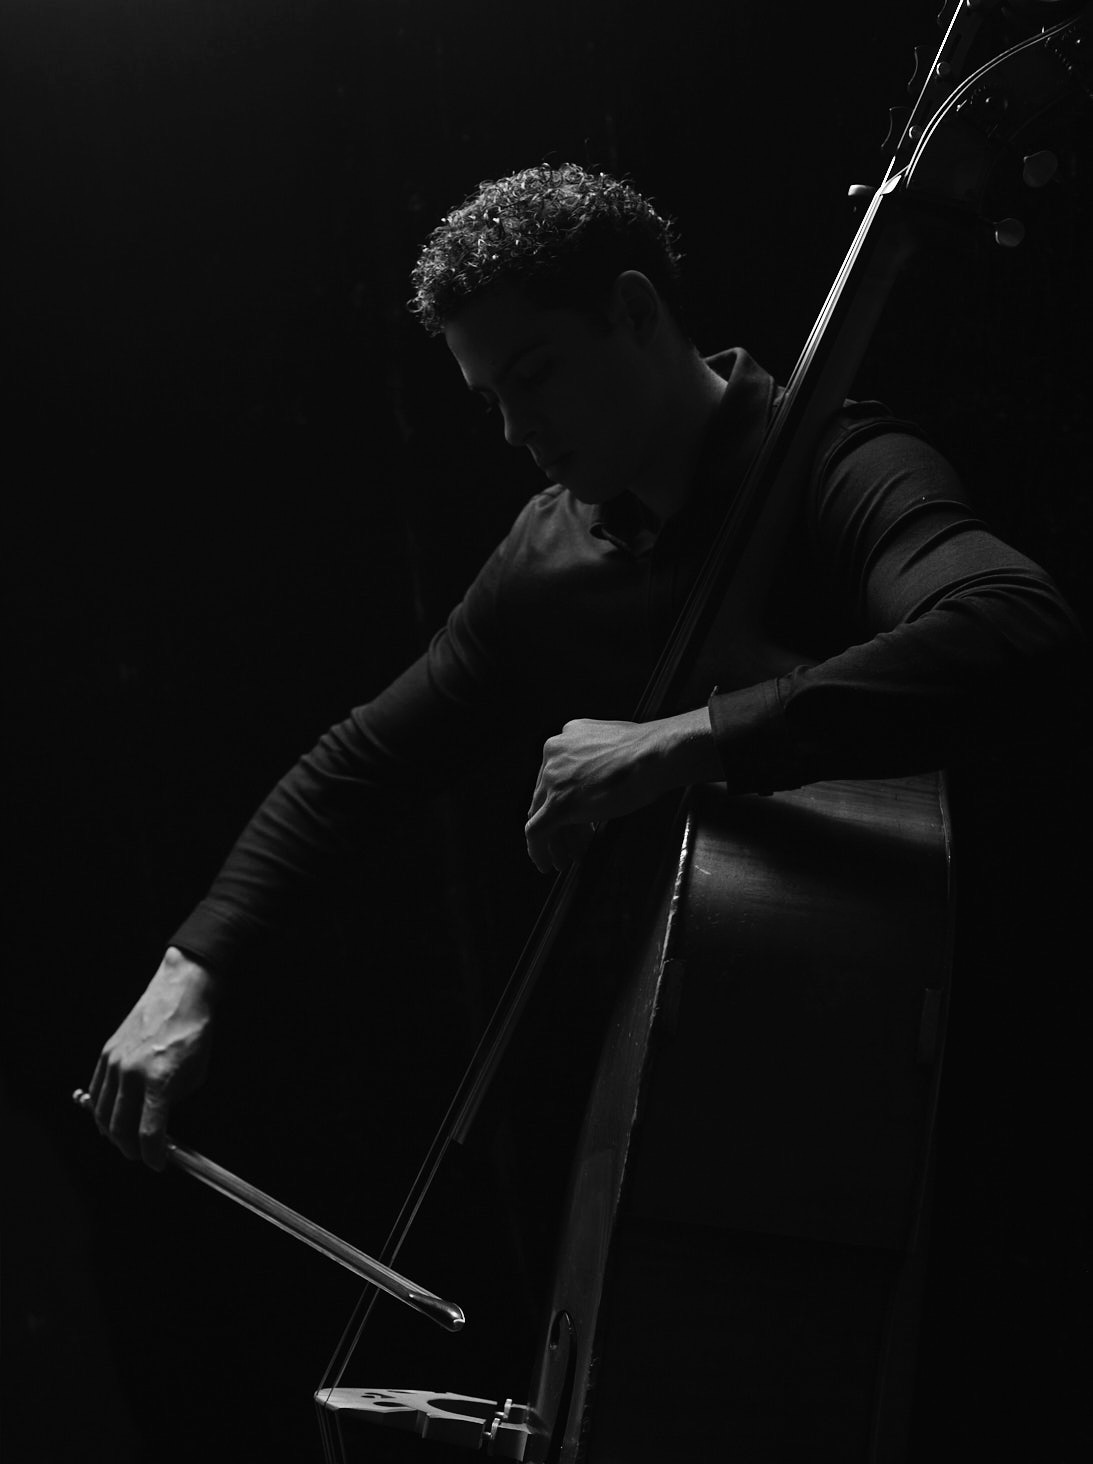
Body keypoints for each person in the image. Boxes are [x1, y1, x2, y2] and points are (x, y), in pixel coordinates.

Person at [87, 162, 1078, 1172]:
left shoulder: (836, 466)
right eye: (491, 401)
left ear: (634, 312)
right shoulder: (546, 558)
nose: (517, 433)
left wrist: (681, 741)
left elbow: (1010, 624)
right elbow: (359, 768)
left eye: (534, 376)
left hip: (988, 1103)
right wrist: (190, 969)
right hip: (725, 1132)